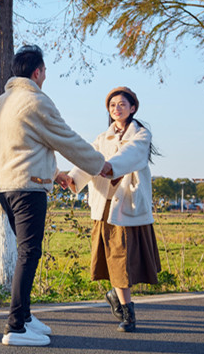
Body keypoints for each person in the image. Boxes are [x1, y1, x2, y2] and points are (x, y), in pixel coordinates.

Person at [0, 44, 111, 346]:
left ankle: (25, 317)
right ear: (37, 72)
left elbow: (25, 144)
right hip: (28, 187)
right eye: (44, 71)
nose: (45, 76)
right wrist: (100, 164)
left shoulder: (3, 101)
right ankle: (15, 327)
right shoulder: (36, 101)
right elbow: (65, 137)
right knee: (29, 254)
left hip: (6, 185)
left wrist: (55, 172)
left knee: (25, 252)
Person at [67, 86, 161, 333]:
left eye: (121, 104)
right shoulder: (103, 138)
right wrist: (72, 178)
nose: (116, 109)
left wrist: (108, 166)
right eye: (112, 105)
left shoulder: (140, 135)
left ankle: (119, 300)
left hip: (128, 205)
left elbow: (129, 156)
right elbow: (90, 158)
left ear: (132, 108)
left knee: (123, 261)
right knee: (115, 260)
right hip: (104, 204)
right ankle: (127, 312)